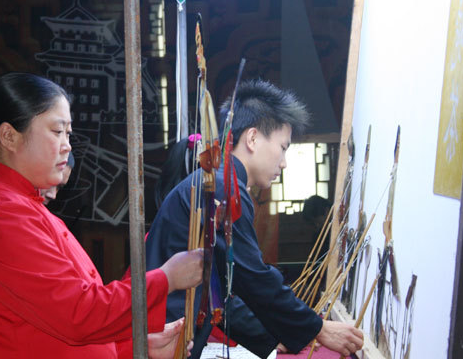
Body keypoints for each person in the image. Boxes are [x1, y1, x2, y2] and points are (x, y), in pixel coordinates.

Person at [0, 72, 203, 359]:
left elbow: (57, 326)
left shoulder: (25, 207)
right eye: (56, 131)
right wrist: (167, 278)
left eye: (68, 133)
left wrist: (136, 347)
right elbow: (78, 313)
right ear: (9, 136)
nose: (67, 145)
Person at [145, 79, 364, 358]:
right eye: (283, 147)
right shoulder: (223, 187)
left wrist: (273, 337)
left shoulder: (222, 181)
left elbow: (224, 294)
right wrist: (317, 328)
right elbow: (252, 277)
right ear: (252, 138)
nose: (284, 162)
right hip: (167, 340)